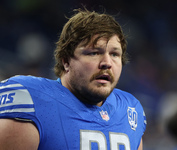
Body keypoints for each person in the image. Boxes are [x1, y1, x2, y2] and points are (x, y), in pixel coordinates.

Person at [0, 8, 147, 150]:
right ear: (66, 61)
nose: (107, 63)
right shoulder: (32, 101)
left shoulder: (130, 109)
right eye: (94, 53)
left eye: (115, 54)